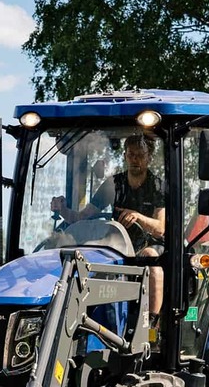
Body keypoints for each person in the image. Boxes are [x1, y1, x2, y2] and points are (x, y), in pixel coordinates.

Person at [50, 134, 165, 322]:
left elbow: (160, 228)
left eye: (140, 155)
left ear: (148, 158)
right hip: (117, 245)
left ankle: (151, 322)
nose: (135, 159)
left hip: (148, 244)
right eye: (131, 155)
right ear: (125, 156)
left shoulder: (158, 185)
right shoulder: (113, 185)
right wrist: (62, 210)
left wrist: (138, 216)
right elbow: (81, 218)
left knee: (151, 258)